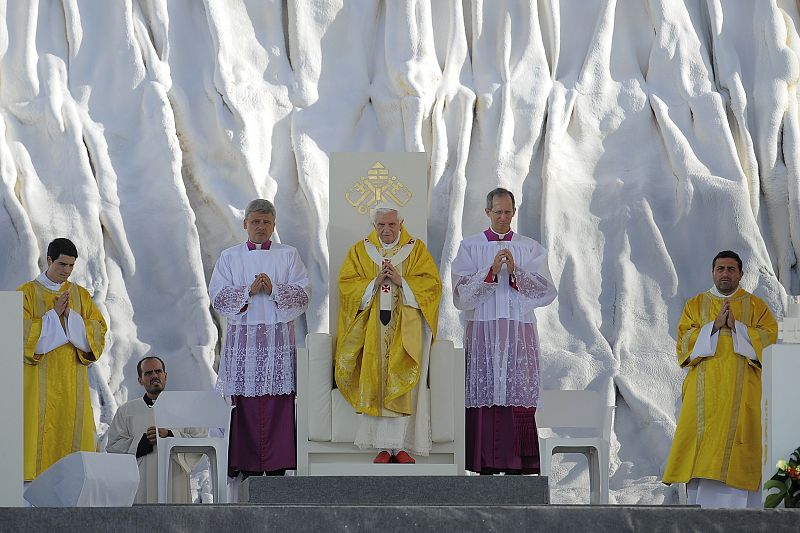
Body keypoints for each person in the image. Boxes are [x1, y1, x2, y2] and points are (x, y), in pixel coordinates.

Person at [452, 188, 557, 474]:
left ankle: (518, 463)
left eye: (508, 212)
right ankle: (483, 461)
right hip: (483, 330)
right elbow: (461, 295)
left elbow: (546, 291)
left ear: (514, 212)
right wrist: (489, 271)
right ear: (487, 212)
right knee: (485, 388)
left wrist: (515, 272)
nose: (502, 217)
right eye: (497, 212)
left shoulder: (529, 247)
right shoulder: (470, 247)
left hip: (518, 331)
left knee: (516, 391)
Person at [663, 250, 777, 507]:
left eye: (731, 269)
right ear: (713, 273)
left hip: (744, 392)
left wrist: (739, 327)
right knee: (700, 450)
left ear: (741, 274)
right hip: (703, 395)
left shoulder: (756, 306)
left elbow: (769, 340)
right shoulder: (695, 305)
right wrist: (713, 326)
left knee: (741, 448)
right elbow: (683, 343)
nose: (725, 273)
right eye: (720, 269)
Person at [208, 199, 310, 481]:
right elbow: (217, 296)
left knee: (278, 403)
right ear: (245, 224)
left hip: (277, 345)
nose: (261, 227)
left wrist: (275, 289)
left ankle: (278, 467)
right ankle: (247, 465)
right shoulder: (230, 257)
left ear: (274, 225)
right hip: (243, 346)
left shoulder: (288, 255)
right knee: (244, 405)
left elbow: (302, 295)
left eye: (266, 222)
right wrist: (248, 291)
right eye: (255, 221)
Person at [335, 206, 441, 464]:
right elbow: (346, 286)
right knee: (378, 382)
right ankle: (382, 447)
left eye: (392, 225)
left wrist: (402, 280)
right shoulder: (360, 251)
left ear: (401, 223)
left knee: (403, 381)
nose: (387, 230)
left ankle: (402, 446)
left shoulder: (416, 250)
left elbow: (432, 285)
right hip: (372, 330)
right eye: (381, 225)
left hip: (406, 329)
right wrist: (373, 283)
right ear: (374, 226)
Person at [18, 238, 107, 483]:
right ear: (48, 260)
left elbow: (98, 332)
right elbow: (20, 337)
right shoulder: (25, 294)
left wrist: (73, 319)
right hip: (35, 389)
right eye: (61, 264)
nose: (66, 271)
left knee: (73, 467)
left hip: (72, 389)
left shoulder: (79, 295)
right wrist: (54, 316)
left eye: (71, 266)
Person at [106, 356, 205, 503]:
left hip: (175, 478)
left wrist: (171, 435)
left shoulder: (185, 408)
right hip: (141, 480)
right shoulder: (126, 411)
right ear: (140, 380)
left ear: (165, 375)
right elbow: (113, 446)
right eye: (148, 373)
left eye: (158, 371)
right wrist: (142, 442)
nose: (154, 376)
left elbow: (202, 439)